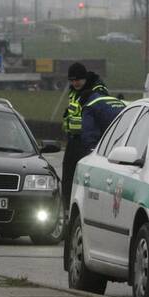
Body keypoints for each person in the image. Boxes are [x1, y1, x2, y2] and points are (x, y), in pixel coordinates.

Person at [60, 63, 110, 213]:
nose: (75, 83)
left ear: (84, 78)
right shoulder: (73, 91)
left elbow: (102, 111)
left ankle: (86, 210)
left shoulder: (97, 90)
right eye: (72, 80)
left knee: (87, 180)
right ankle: (66, 211)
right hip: (73, 140)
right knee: (68, 177)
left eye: (78, 80)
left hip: (88, 142)